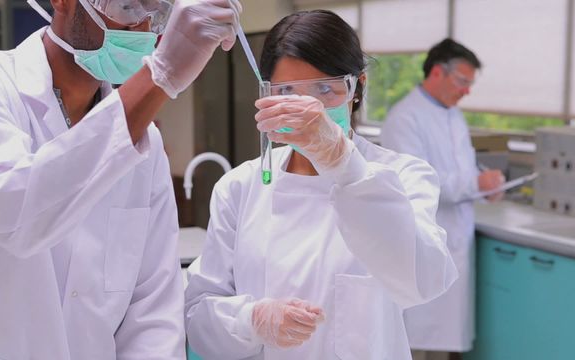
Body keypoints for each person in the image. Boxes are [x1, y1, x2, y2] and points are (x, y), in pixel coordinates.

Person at [184, 10, 458, 360]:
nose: (306, 108)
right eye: (286, 91)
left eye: (325, 89)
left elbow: (424, 280)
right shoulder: (239, 187)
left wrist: (345, 165)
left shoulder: (403, 175)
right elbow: (199, 316)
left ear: (356, 86)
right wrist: (251, 320)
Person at [0, 0, 241, 358]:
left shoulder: (145, 142)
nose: (143, 27)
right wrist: (159, 77)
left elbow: (152, 309)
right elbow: (11, 213)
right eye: (128, 6)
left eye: (159, 13)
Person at [381, 38, 505, 358]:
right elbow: (422, 183)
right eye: (463, 81)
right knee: (415, 340)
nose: (467, 91)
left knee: (443, 340)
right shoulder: (404, 118)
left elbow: (461, 164)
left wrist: (484, 183)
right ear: (437, 72)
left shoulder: (453, 115)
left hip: (455, 237)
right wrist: (475, 183)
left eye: (470, 84)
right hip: (423, 243)